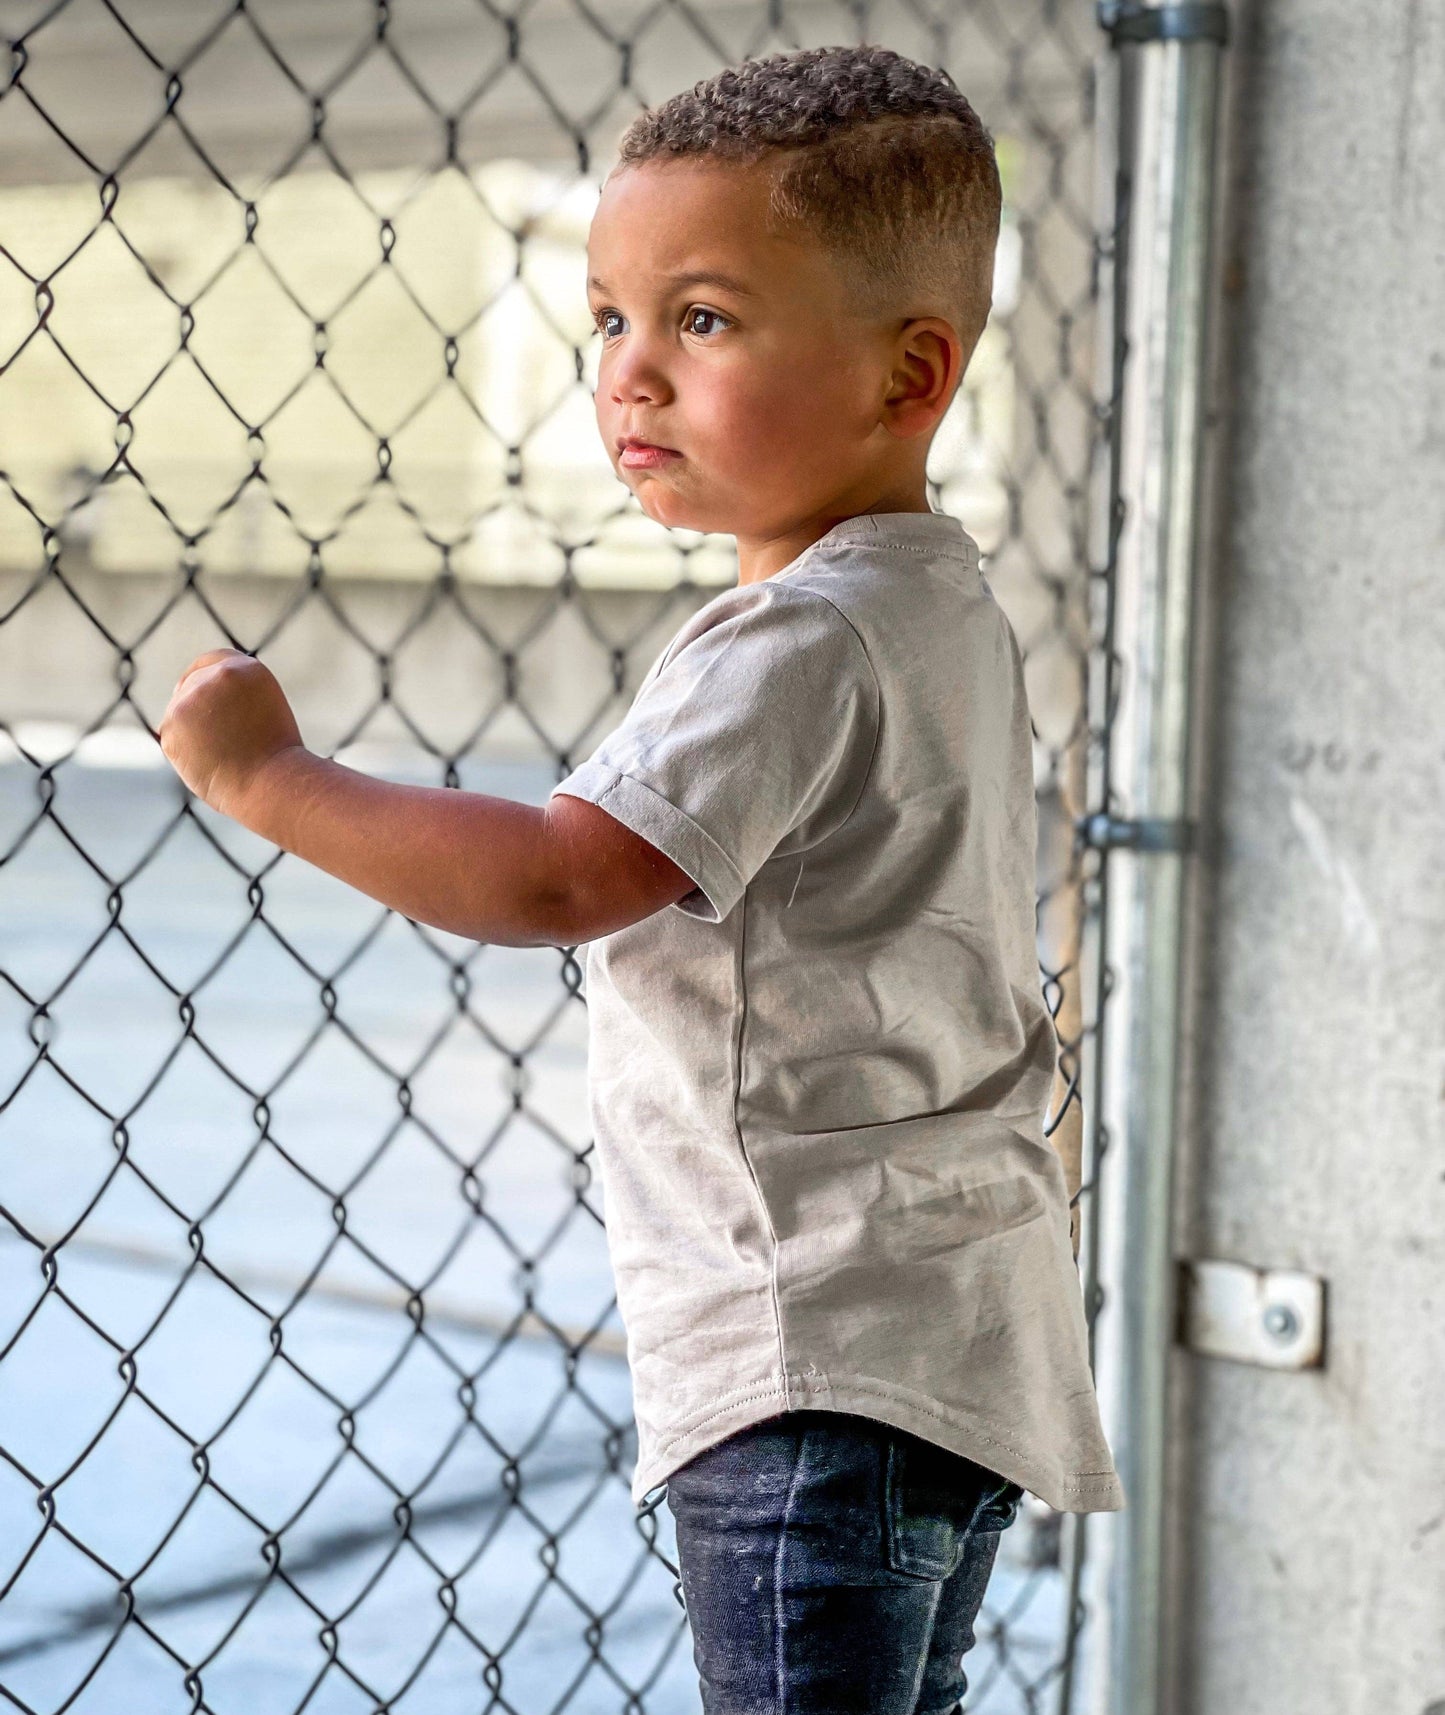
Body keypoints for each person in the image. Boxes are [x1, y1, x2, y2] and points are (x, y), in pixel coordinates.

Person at [159, 40, 1124, 1714]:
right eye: (610, 318)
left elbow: (555, 878)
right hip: (947, 1330)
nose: (629, 377)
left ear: (909, 374)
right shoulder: (936, 598)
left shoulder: (795, 638)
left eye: (704, 320)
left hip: (808, 1359)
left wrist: (269, 778)